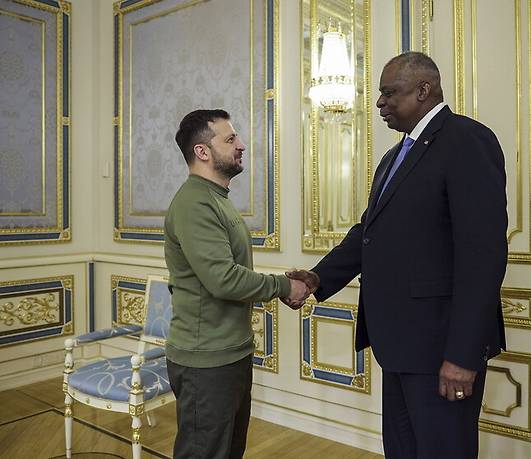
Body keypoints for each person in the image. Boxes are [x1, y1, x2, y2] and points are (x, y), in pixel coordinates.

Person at [286, 52, 508, 458]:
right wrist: (319, 278)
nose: (379, 104)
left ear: (424, 90)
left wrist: (461, 355)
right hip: (400, 343)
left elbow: (483, 256)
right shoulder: (394, 156)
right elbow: (367, 232)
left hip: (441, 348)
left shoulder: (466, 140)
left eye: (390, 94)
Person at [164, 109, 309, 459]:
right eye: (230, 139)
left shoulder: (217, 199)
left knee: (229, 451)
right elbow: (223, 279)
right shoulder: (195, 203)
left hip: (229, 352)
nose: (242, 145)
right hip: (205, 360)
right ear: (202, 152)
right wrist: (285, 286)